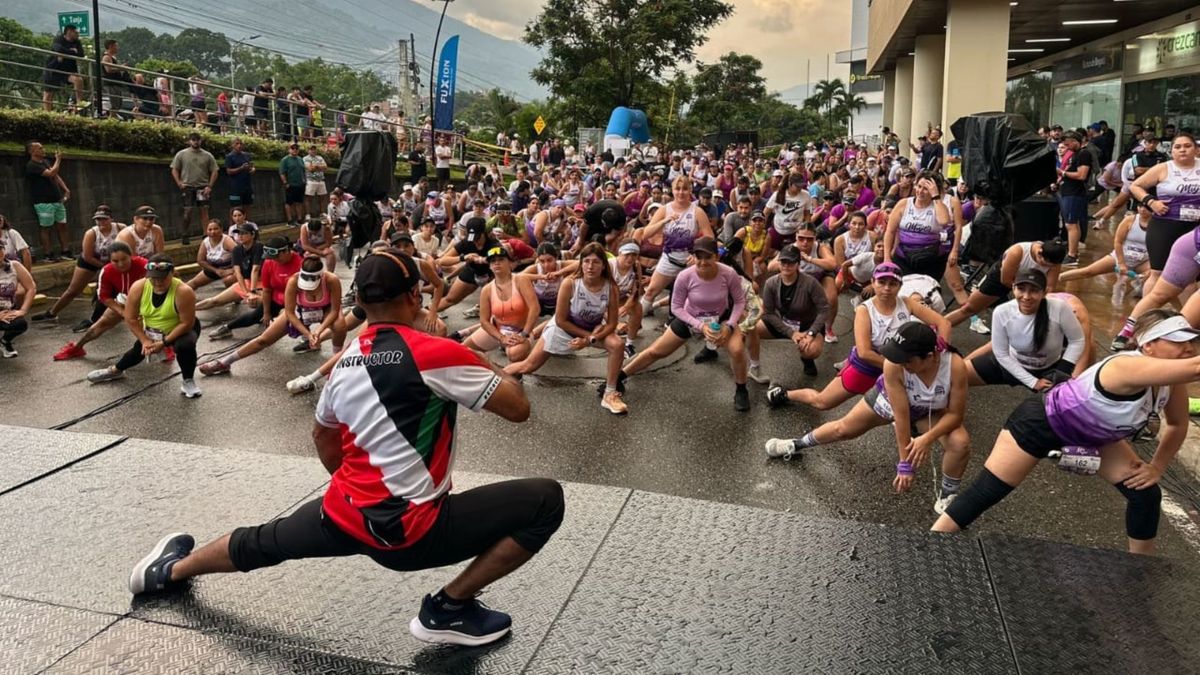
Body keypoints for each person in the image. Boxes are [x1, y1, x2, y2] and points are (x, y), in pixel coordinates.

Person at [130, 249, 563, 647]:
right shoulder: (438, 353)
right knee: (545, 500)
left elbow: (323, 435)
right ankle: (448, 609)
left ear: (362, 304)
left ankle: (166, 572)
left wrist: (356, 487)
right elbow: (518, 408)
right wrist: (479, 360)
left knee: (264, 541)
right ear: (415, 295)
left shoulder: (348, 359)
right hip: (412, 532)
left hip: (344, 511)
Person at [933, 308, 1198, 555]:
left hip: (1096, 435)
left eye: (1191, 341)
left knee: (1145, 494)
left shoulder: (1170, 383)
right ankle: (931, 542)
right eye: (1177, 341)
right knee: (988, 490)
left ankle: (1142, 566)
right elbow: (1196, 368)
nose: (1188, 348)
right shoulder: (1126, 365)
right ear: (1147, 344)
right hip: (1042, 423)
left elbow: (1177, 424)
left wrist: (1157, 467)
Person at [765, 321, 970, 514]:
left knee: (960, 443)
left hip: (930, 412)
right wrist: (904, 465)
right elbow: (901, 416)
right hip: (890, 402)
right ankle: (797, 443)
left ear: (931, 356)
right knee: (843, 429)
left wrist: (927, 438)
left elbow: (955, 415)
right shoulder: (894, 365)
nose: (902, 363)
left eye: (908, 360)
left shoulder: (955, 366)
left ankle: (947, 495)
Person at [766, 262, 950, 411]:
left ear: (900, 286)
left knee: (915, 409)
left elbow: (944, 323)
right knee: (822, 402)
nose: (887, 288)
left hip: (899, 366)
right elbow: (864, 352)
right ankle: (785, 394)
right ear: (873, 282)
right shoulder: (865, 310)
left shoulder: (907, 303)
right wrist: (901, 367)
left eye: (893, 284)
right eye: (882, 282)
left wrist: (939, 351)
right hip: (869, 366)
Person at [621, 237, 750, 411]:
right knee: (656, 351)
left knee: (737, 349)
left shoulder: (728, 273)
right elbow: (676, 307)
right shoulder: (684, 276)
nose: (703, 262)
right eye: (698, 257)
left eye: (708, 257)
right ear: (693, 257)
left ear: (716, 257)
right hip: (691, 319)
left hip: (721, 319)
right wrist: (700, 326)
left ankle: (741, 389)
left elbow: (740, 302)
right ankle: (620, 376)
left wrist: (730, 326)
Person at [504, 243, 628, 415]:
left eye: (596, 262)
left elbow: (612, 323)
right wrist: (587, 338)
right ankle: (495, 379)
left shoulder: (611, 287)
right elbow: (561, 320)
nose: (590, 266)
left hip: (593, 330)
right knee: (527, 366)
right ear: (581, 263)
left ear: (604, 265)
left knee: (618, 344)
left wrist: (589, 339)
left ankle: (609, 393)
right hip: (563, 329)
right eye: (586, 261)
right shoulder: (570, 284)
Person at [1111, 134, 1200, 350]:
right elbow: (1135, 186)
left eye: (1187, 146)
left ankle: (1186, 325)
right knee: (1158, 277)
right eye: (1178, 146)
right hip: (1167, 226)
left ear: (1196, 149)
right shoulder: (1164, 168)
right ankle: (1136, 327)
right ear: (1172, 150)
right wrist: (1151, 201)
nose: (1182, 150)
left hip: (1194, 225)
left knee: (1192, 284)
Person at [200, 255, 345, 376]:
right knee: (263, 340)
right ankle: (225, 362)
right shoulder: (294, 281)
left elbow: (334, 310)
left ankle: (336, 362)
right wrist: (307, 334)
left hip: (326, 310)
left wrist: (319, 331)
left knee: (340, 325)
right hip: (300, 311)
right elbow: (289, 312)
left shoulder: (331, 280)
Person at [86, 254, 202, 398]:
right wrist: (144, 340)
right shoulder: (139, 287)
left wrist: (164, 343)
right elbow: (130, 317)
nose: (158, 282)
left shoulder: (184, 291)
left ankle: (188, 381)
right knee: (138, 350)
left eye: (162, 278)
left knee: (185, 346)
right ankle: (116, 370)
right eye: (154, 278)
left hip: (180, 328)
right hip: (153, 329)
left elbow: (186, 323)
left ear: (172, 273)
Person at [964, 270, 1087, 392]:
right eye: (1021, 289)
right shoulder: (1002, 312)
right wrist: (1032, 382)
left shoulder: (1060, 308)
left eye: (1034, 290)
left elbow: (1077, 340)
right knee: (955, 377)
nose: (1026, 297)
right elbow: (1001, 354)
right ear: (1013, 288)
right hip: (1010, 365)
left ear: (1044, 292)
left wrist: (1063, 370)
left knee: (1073, 400)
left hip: (1050, 370)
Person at [944, 239, 1066, 334]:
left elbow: (1049, 287)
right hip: (1003, 279)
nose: (1045, 267)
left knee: (1033, 313)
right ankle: (937, 326)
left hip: (1030, 284)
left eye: (1049, 266)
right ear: (1040, 253)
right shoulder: (1017, 252)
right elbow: (1005, 280)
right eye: (1044, 263)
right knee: (969, 308)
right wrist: (1020, 296)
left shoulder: (1054, 261)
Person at [31, 206, 123, 329]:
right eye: (98, 220)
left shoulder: (121, 229)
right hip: (92, 260)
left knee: (111, 290)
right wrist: (104, 267)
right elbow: (88, 256)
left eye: (104, 219)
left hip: (113, 262)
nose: (101, 222)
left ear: (111, 219)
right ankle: (52, 312)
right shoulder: (91, 233)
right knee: (73, 290)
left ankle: (104, 315)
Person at [747, 244, 828, 383]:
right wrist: (790, 333)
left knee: (811, 350)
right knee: (750, 328)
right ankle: (754, 366)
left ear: (798, 264)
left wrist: (811, 333)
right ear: (779, 263)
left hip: (807, 326)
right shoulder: (771, 283)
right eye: (783, 261)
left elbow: (824, 309)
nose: (786, 265)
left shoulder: (811, 283)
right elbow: (768, 313)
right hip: (783, 324)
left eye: (791, 262)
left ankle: (807, 359)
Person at [53, 242, 147, 361]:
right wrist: (122, 312)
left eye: (124, 259)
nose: (121, 264)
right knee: (100, 324)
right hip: (124, 299)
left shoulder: (144, 264)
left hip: (146, 300)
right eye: (115, 261)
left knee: (157, 325)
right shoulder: (107, 271)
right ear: (110, 260)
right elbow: (104, 297)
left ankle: (165, 346)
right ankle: (77, 347)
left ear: (131, 256)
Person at [639, 176, 715, 317]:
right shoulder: (664, 210)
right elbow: (646, 233)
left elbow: (710, 239)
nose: (681, 193)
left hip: (689, 261)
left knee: (693, 295)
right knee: (650, 291)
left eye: (685, 189)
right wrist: (664, 221)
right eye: (677, 189)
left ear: (690, 191)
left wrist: (697, 255)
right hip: (669, 258)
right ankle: (633, 325)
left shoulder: (697, 211)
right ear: (672, 191)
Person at [208, 236, 300, 340]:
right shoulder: (269, 263)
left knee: (292, 317)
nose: (274, 261)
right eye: (272, 258)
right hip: (276, 297)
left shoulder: (300, 262)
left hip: (296, 300)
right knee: (255, 315)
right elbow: (267, 290)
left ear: (286, 251)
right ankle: (227, 328)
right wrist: (266, 312)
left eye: (277, 257)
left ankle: (308, 338)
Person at [461, 246, 539, 364]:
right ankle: (486, 370)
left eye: (501, 259)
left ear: (510, 263)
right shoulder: (487, 289)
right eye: (493, 261)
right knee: (463, 350)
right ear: (490, 266)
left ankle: (516, 377)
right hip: (498, 330)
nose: (497, 263)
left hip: (521, 331)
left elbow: (535, 309)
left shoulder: (521, 280)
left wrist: (524, 334)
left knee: (515, 353)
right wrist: (501, 337)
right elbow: (484, 321)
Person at [1058, 203, 1151, 291]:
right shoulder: (1130, 220)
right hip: (1121, 256)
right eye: (1140, 206)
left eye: (1146, 208)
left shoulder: (1159, 224)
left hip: (1143, 260)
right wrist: (1121, 263)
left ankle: (1141, 288)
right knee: (1088, 271)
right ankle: (1057, 278)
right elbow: (1118, 242)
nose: (1142, 209)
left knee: (1156, 274)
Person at [882, 172, 953, 280]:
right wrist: (887, 257)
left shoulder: (939, 206)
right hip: (903, 257)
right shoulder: (903, 204)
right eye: (919, 186)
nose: (920, 191)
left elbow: (944, 221)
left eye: (926, 188)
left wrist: (936, 196)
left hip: (931, 259)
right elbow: (890, 231)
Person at [195, 220, 260, 311]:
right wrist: (245, 292)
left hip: (261, 282)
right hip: (245, 281)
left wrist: (252, 291)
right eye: (238, 234)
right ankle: (186, 310)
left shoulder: (258, 247)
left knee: (261, 301)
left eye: (244, 233)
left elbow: (255, 270)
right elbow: (238, 272)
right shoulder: (237, 249)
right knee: (214, 301)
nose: (240, 236)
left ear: (252, 235)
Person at [24, 141, 72, 262]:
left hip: (57, 199)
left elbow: (55, 175)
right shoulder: (32, 165)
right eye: (40, 148)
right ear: (32, 151)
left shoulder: (45, 162)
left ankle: (65, 251)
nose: (43, 150)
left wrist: (65, 189)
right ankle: (47, 254)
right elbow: (51, 173)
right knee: (46, 227)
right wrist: (58, 159)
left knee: (62, 225)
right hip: (43, 202)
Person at [170, 133, 219, 246]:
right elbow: (174, 169)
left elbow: (215, 171)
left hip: (202, 188)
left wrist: (209, 186)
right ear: (189, 141)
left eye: (198, 140)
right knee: (188, 211)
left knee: (204, 211)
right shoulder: (182, 154)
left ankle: (206, 235)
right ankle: (185, 234)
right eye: (193, 140)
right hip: (188, 187)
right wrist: (179, 183)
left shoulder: (207, 155)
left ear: (201, 141)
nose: (196, 142)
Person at [1056, 131, 1093, 266]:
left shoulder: (1084, 154)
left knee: (1071, 224)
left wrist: (1063, 173)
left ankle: (1072, 255)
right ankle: (1073, 251)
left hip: (1075, 193)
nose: (1067, 146)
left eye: (1068, 143)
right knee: (1071, 224)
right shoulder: (1075, 154)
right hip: (1068, 191)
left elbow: (1082, 175)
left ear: (1075, 141)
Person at [0, 238, 35, 358]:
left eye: (0, 249)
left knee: (20, 324)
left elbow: (31, 288)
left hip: (7, 310)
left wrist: (23, 310)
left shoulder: (14, 266)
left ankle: (5, 341)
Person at [41, 25, 84, 112]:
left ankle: (79, 102)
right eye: (75, 32)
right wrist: (72, 51)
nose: (77, 34)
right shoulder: (59, 39)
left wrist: (64, 54)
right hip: (53, 69)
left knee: (78, 80)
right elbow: (58, 49)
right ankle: (47, 113)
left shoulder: (77, 42)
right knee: (48, 93)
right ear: (69, 32)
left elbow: (81, 54)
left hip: (67, 70)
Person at [186, 220, 236, 290]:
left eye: (216, 229)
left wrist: (233, 270)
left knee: (228, 280)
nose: (213, 232)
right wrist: (216, 270)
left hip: (229, 268)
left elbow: (240, 254)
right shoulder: (205, 242)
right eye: (210, 229)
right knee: (192, 283)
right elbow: (200, 260)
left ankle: (235, 297)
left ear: (221, 229)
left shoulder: (227, 240)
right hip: (214, 269)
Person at [225, 138, 255, 219]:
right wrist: (241, 168)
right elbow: (229, 171)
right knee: (235, 208)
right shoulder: (229, 157)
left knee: (247, 206)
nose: (239, 145)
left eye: (241, 144)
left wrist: (252, 169)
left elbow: (252, 166)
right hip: (235, 187)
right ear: (232, 145)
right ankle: (232, 228)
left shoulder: (247, 155)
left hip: (247, 186)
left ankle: (248, 225)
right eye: (237, 144)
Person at [279, 144, 307, 227]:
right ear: (289, 150)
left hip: (300, 184)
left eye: (296, 148)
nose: (295, 150)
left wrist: (304, 180)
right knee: (289, 202)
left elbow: (303, 171)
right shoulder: (285, 160)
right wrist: (285, 183)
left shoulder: (300, 159)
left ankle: (299, 219)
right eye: (293, 148)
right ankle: (290, 220)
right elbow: (282, 172)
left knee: (299, 202)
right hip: (290, 184)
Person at [303, 146, 329, 220]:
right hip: (311, 180)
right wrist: (319, 166)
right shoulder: (305, 158)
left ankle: (322, 213)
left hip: (321, 180)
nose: (313, 151)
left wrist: (316, 166)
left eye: (314, 149)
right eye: (311, 149)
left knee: (322, 197)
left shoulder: (320, 157)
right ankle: (308, 214)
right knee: (308, 198)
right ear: (308, 150)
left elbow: (326, 167)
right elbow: (310, 169)